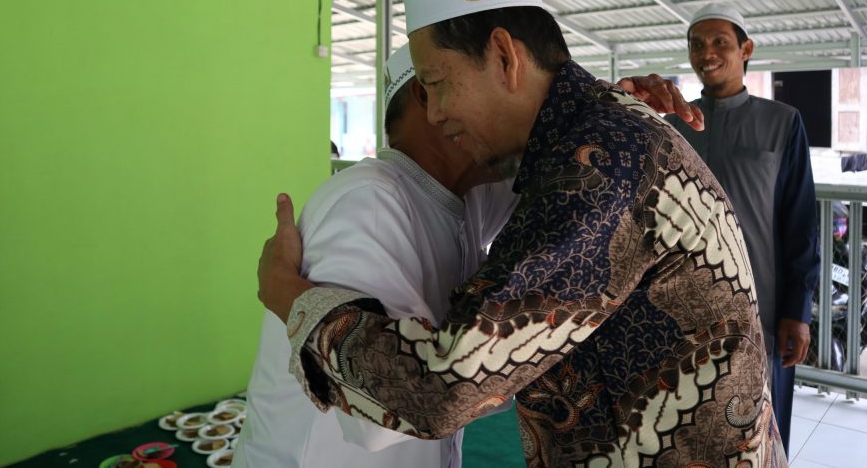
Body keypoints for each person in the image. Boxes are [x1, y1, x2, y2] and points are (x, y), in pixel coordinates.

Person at [258, 0, 786, 467]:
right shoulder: (598, 133)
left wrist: (292, 299)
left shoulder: (593, 165)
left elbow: (446, 386)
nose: (438, 112)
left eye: (438, 84)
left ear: (505, 56)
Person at [234, 43, 700, 468]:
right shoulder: (369, 202)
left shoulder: (462, 193)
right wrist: (289, 297)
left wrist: (604, 112)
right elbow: (386, 407)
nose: (519, 116)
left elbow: (554, 168)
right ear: (429, 97)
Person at [665, 2, 820, 454]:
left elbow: (800, 222)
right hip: (683, 305)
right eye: (696, 44)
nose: (706, 52)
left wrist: (798, 310)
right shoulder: (674, 125)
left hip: (761, 307)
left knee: (761, 425)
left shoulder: (783, 123)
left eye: (719, 42)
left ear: (745, 49)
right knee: (684, 422)